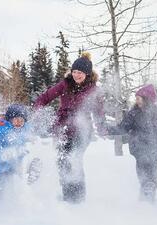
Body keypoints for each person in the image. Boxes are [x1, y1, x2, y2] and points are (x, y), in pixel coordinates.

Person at [34, 52, 106, 203]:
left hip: (82, 131)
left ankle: (78, 198)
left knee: (74, 160)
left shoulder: (94, 90)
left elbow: (99, 112)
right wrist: (37, 110)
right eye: (74, 72)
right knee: (62, 162)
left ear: (87, 73)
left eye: (80, 72)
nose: (76, 75)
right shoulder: (65, 84)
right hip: (62, 129)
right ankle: (68, 196)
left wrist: (102, 128)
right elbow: (45, 97)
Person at [107, 84, 157, 202]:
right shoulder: (133, 113)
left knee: (151, 173)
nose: (136, 100)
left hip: (153, 149)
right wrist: (108, 129)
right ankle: (145, 198)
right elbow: (123, 128)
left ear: (147, 99)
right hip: (139, 149)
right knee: (143, 173)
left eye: (139, 98)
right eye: (136, 98)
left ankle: (148, 196)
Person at [0, 104, 30, 201]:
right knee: (5, 186)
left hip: (17, 163)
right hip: (2, 165)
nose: (19, 123)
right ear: (10, 119)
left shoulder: (25, 128)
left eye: (22, 120)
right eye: (16, 120)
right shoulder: (1, 128)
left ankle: (19, 202)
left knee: (19, 184)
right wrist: (1, 153)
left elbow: (31, 136)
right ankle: (2, 206)